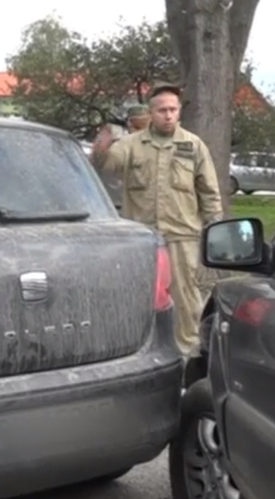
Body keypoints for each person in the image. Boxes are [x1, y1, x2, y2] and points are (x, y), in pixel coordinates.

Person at [91, 83, 223, 357]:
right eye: (162, 110)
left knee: (185, 298)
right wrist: (101, 149)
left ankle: (187, 354)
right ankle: (142, 351)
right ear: (151, 113)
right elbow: (105, 167)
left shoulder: (193, 145)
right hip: (143, 239)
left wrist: (216, 228)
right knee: (141, 296)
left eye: (173, 109)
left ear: (179, 112)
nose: (168, 115)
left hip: (181, 236)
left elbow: (209, 192)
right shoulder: (130, 146)